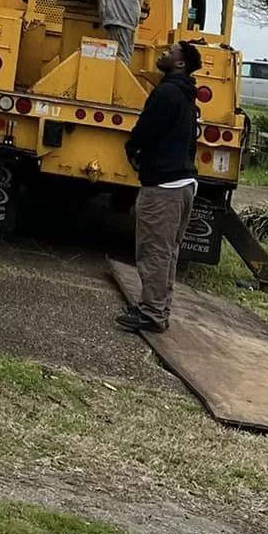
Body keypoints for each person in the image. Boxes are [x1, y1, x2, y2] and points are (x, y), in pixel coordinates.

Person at [115, 40, 200, 335]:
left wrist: (133, 148)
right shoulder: (188, 96)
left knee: (154, 251)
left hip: (164, 187)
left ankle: (152, 314)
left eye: (170, 51)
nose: (163, 53)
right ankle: (157, 308)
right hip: (184, 185)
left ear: (180, 63)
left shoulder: (166, 93)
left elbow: (145, 130)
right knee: (167, 252)